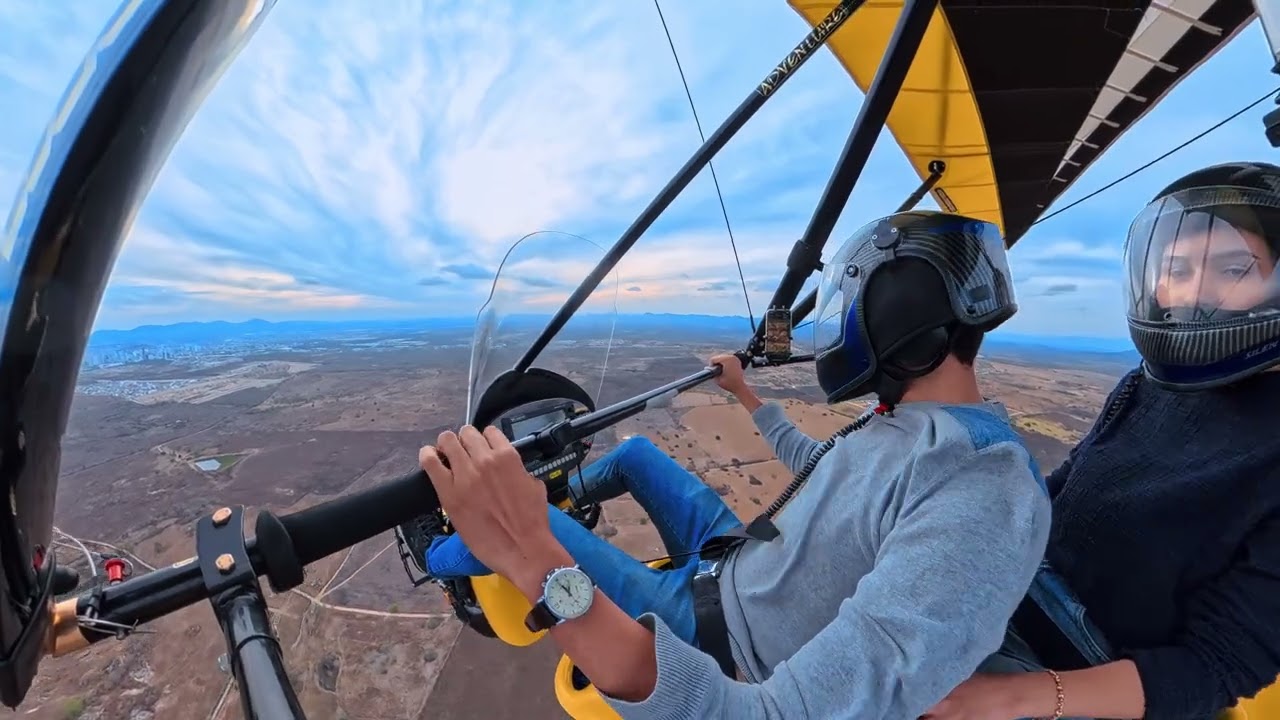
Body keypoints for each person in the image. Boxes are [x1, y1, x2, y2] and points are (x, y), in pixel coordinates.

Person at [414, 210, 1054, 719]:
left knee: (536, 530)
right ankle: (550, 499)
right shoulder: (908, 424)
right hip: (731, 556)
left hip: (717, 631)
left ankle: (437, 546)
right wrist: (745, 394)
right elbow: (823, 469)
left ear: (892, 315)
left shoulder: (981, 486)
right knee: (635, 455)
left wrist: (534, 544)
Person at [924, 161, 1280, 720]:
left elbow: (1215, 666)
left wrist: (1008, 698)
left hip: (1090, 672)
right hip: (1020, 598)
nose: (1193, 293)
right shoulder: (1149, 381)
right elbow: (1072, 487)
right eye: (1178, 268)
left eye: (1234, 267)